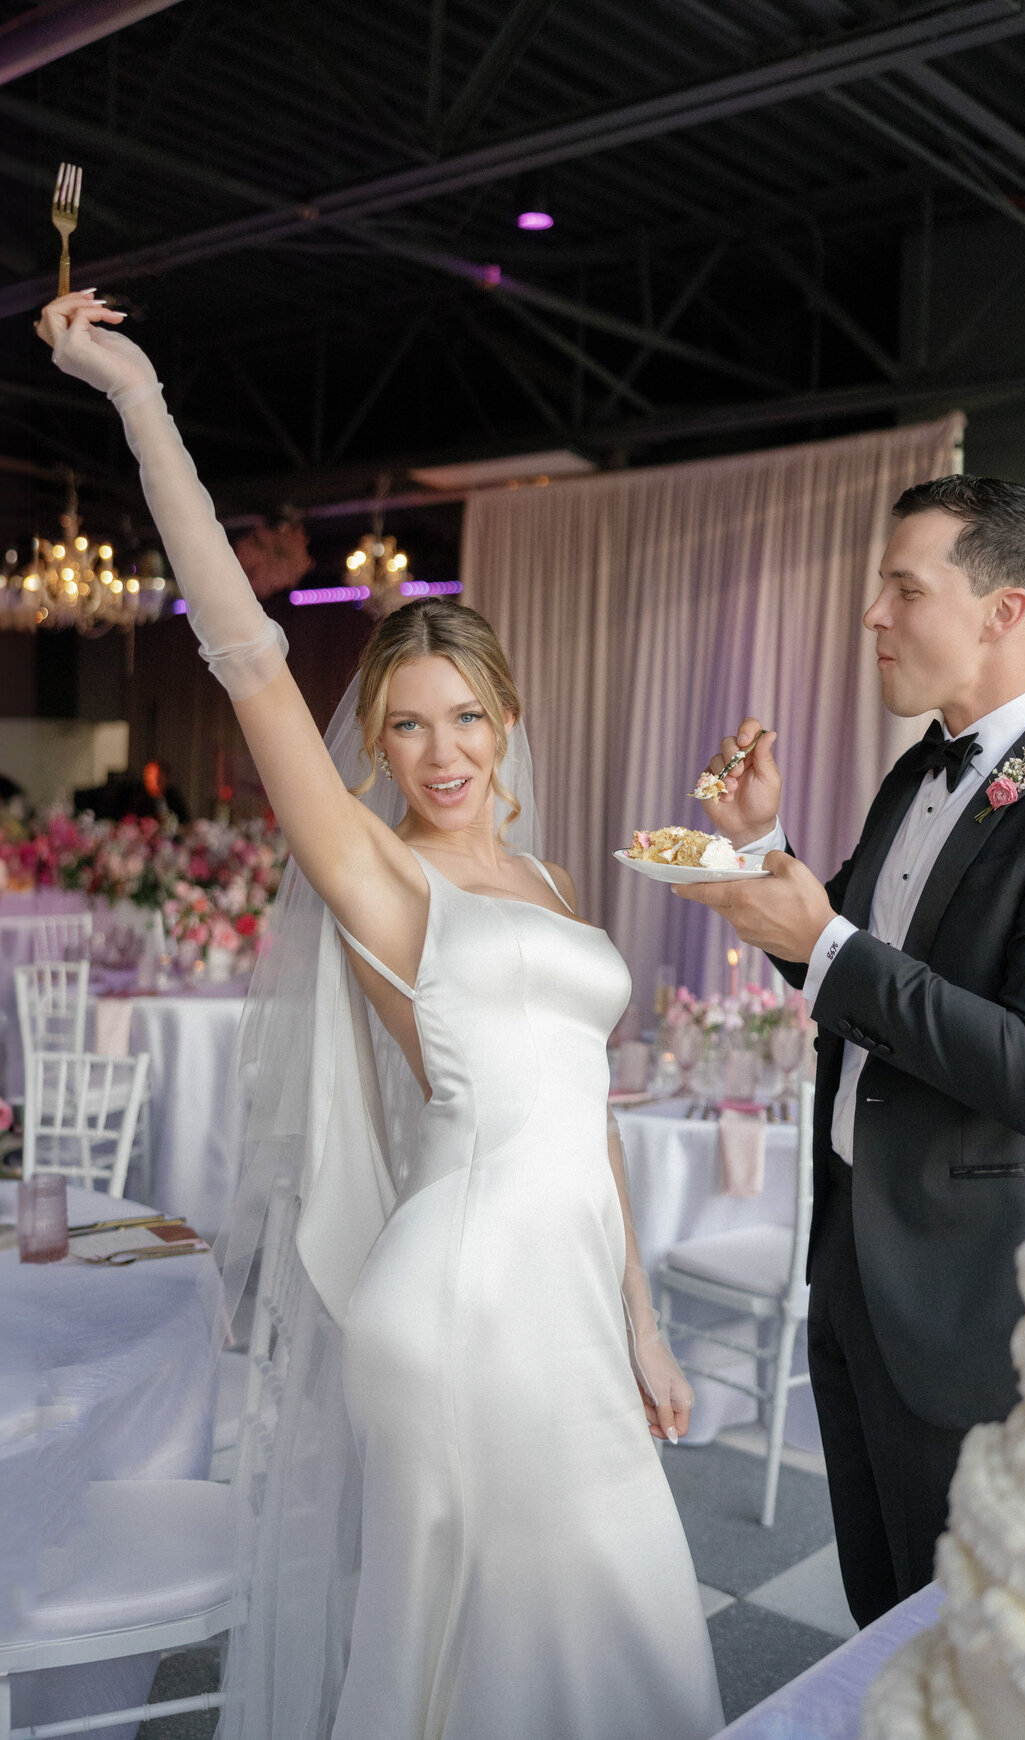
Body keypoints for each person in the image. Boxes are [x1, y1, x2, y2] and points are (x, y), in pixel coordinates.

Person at [38, 290, 724, 1740]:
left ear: (507, 718)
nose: (438, 751)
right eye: (405, 722)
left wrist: (644, 1323)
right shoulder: (378, 876)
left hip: (570, 1303)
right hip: (458, 1292)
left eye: (464, 716)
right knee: (491, 1629)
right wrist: (142, 401)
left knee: (602, 1615)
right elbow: (246, 652)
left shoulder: (539, 875)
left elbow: (583, 1104)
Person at [677, 476, 1025, 1628]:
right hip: (853, 1252)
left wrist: (830, 941)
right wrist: (763, 845)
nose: (875, 616)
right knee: (875, 1616)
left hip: (965, 1295)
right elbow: (845, 976)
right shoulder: (919, 766)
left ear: (1004, 610)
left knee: (960, 1630)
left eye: (904, 589)